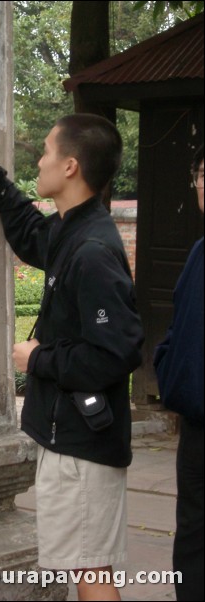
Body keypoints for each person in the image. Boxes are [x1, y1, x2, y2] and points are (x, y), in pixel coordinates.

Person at [0, 113, 144, 601]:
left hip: (83, 444)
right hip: (70, 438)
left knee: (90, 571)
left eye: (48, 152)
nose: (40, 159)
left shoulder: (93, 248)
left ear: (71, 166)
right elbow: (32, 232)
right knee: (85, 566)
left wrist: (39, 359)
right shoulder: (72, 229)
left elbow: (117, 351)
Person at [154, 144, 204, 602]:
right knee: (192, 536)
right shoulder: (199, 251)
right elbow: (178, 326)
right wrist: (169, 367)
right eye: (204, 173)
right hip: (196, 426)